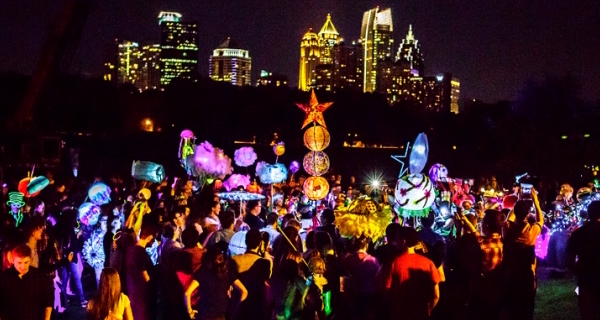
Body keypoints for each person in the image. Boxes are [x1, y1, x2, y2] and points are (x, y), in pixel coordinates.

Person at [501, 189, 544, 320]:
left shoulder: (507, 228)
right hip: (527, 275)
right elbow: (540, 219)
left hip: (510, 273)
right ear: (527, 214)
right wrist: (536, 201)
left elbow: (509, 218)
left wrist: (518, 201)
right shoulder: (532, 231)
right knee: (526, 307)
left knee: (511, 307)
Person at [383, 227, 441, 320]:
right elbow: (436, 295)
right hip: (422, 313)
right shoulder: (429, 263)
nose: (395, 242)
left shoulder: (393, 263)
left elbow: (386, 292)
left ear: (403, 241)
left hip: (399, 314)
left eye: (397, 239)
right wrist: (428, 309)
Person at [185, 246, 247, 320]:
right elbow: (244, 291)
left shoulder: (202, 273)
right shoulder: (228, 274)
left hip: (204, 315)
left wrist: (190, 311)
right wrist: (235, 310)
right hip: (221, 316)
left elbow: (187, 293)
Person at [0, 244, 53, 320]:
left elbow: (48, 301)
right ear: (12, 260)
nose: (23, 267)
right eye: (19, 263)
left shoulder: (39, 276)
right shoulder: (4, 278)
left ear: (30, 260)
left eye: (26, 262)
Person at [566, 200, 600, 320]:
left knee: (587, 314)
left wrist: (579, 273)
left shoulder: (578, 234)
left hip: (585, 280)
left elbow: (569, 260)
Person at [231, 228, 272, 320]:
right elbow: (268, 279)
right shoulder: (265, 263)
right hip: (257, 306)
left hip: (238, 303)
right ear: (260, 243)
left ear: (245, 242)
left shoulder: (234, 259)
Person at [341, 235, 380, 320]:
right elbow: (378, 278)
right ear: (366, 245)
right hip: (370, 297)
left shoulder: (347, 259)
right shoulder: (373, 260)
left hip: (353, 296)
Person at [124, 224, 157, 320]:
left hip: (132, 292)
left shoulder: (130, 250)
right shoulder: (141, 253)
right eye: (153, 238)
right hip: (142, 296)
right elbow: (145, 277)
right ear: (150, 237)